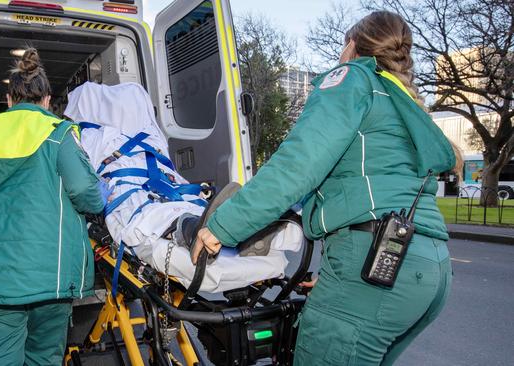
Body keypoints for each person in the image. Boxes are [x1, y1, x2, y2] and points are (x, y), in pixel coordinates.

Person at [192, 11, 463, 365]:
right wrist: (342, 274)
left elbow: (296, 167)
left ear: (351, 46)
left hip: (376, 271)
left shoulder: (351, 78)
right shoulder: (403, 102)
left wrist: (220, 228)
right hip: (428, 271)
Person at [0, 48, 107, 366]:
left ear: (9, 100)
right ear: (46, 99)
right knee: (43, 357)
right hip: (50, 279)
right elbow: (87, 193)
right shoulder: (60, 133)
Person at [64, 82, 304, 292]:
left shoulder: (87, 137)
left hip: (141, 190)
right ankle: (238, 228)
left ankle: (204, 229)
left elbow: (81, 183)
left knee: (153, 214)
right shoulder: (150, 135)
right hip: (155, 190)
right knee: (173, 209)